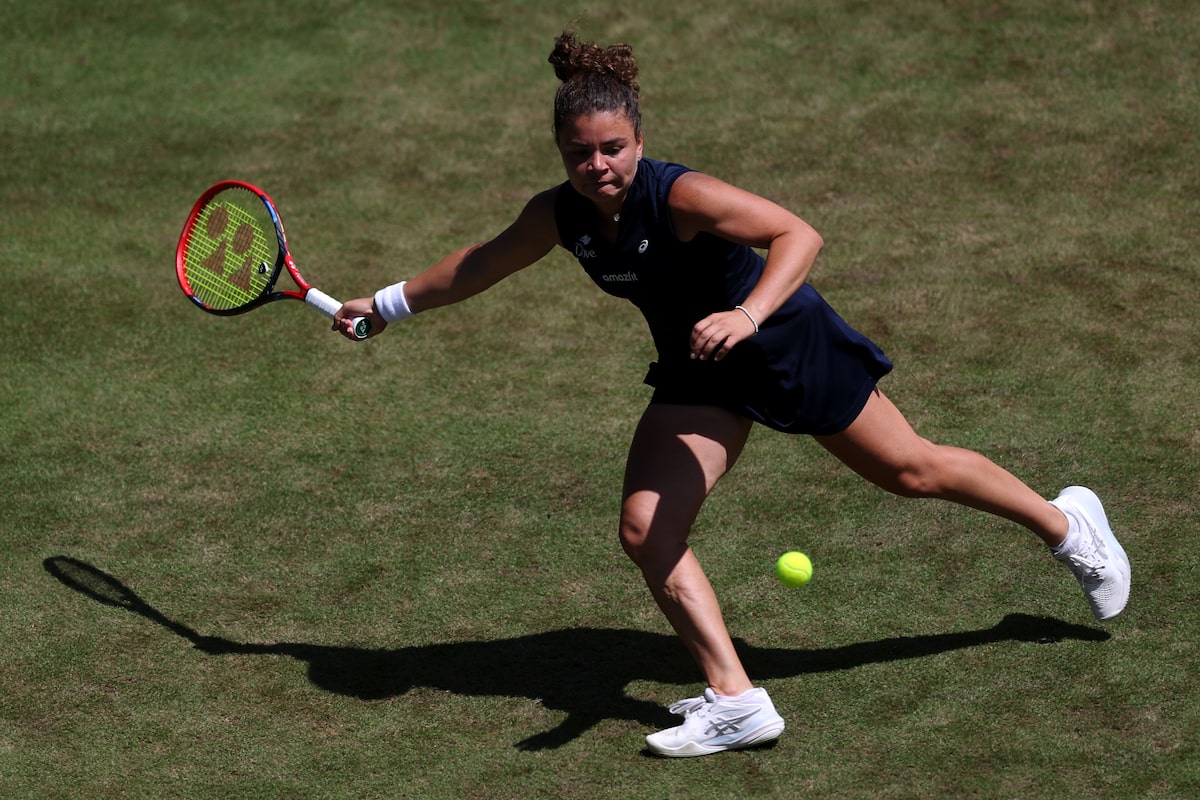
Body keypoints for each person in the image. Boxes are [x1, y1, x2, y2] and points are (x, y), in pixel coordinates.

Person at [333, 31, 1131, 758]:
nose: (597, 164)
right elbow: (482, 262)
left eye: (613, 148)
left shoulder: (679, 196)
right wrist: (387, 304)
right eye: (580, 152)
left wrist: (747, 314)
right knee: (646, 530)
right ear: (561, 152)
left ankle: (1068, 527)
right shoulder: (561, 215)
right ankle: (737, 700)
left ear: (639, 141)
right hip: (699, 367)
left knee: (910, 471)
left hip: (783, 343)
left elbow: (798, 234)